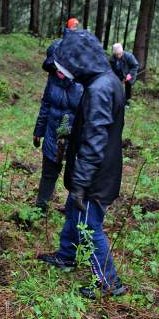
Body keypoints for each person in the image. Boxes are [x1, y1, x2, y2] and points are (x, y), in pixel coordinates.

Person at [37, 30, 127, 299]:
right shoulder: (105, 81)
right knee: (73, 215)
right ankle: (66, 256)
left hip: (96, 176)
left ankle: (109, 282)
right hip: (92, 171)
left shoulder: (101, 89)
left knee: (89, 226)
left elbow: (95, 140)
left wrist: (81, 183)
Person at [33, 40, 83, 215]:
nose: (58, 72)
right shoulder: (53, 77)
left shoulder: (85, 82)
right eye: (55, 67)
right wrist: (38, 130)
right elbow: (46, 103)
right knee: (48, 172)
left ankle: (73, 210)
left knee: (75, 175)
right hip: (53, 133)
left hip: (76, 138)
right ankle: (41, 208)